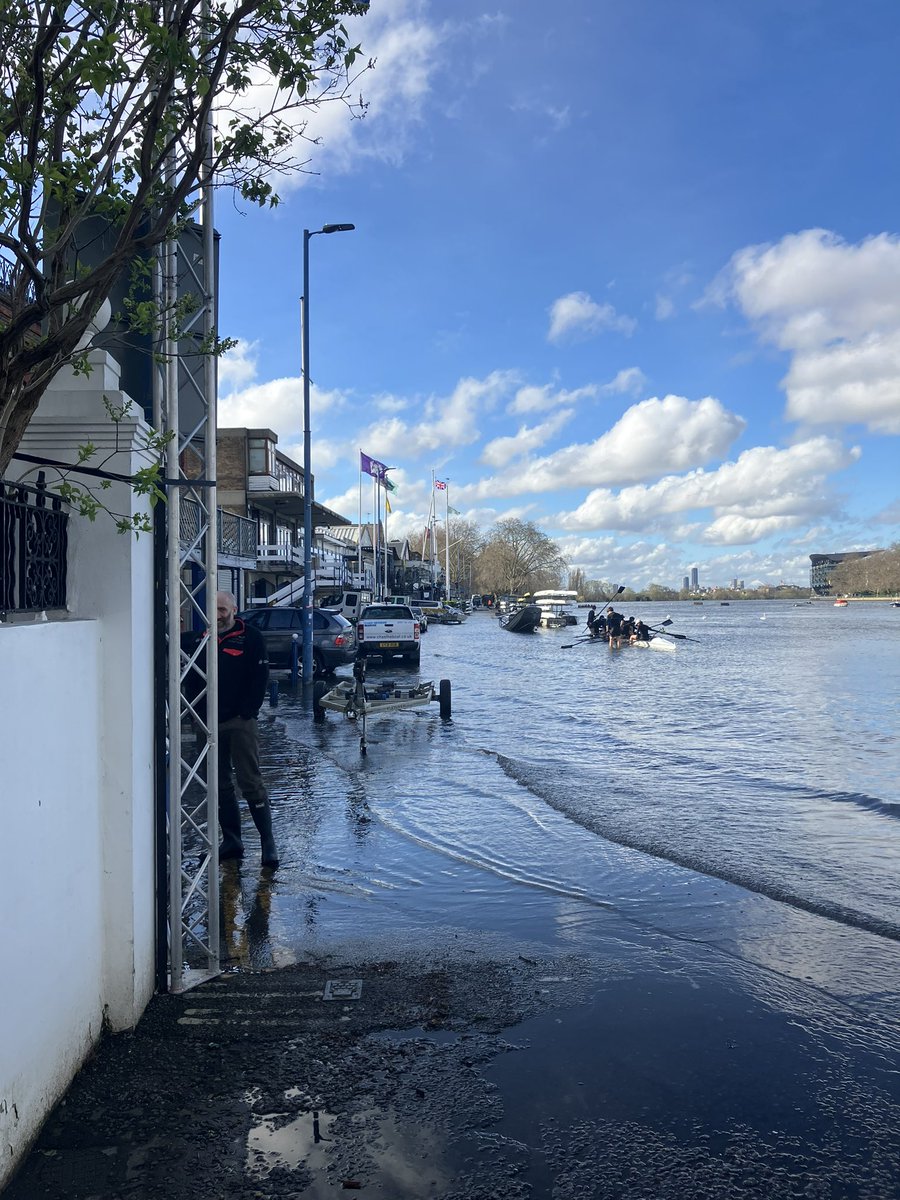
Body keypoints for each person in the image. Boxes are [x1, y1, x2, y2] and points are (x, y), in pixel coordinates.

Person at [183, 592, 279, 868]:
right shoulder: (202, 639)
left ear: (234, 609)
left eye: (223, 609)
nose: (218, 614)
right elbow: (190, 676)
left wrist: (248, 711)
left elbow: (260, 678)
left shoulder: (251, 637)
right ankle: (232, 841)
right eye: (213, 610)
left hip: (239, 721)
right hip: (207, 723)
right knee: (219, 783)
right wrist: (194, 713)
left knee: (250, 781)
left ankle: (267, 844)